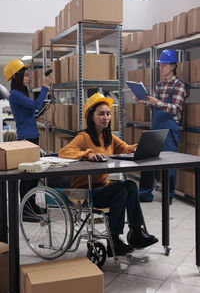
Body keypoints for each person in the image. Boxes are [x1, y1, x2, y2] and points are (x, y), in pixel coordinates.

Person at [58, 93, 158, 257]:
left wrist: (140, 146)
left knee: (130, 186)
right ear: (91, 115)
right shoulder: (83, 137)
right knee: (120, 190)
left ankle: (136, 232)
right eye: (101, 113)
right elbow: (64, 152)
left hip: (101, 188)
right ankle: (114, 241)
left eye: (108, 113)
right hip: (83, 192)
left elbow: (125, 148)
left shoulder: (108, 137)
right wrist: (87, 154)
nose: (106, 117)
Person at [135, 49, 186, 204]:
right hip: (156, 126)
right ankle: (144, 194)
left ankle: (168, 195)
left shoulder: (179, 86)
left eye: (163, 65)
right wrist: (144, 101)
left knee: (169, 163)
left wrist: (157, 102)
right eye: (160, 65)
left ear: (172, 66)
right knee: (148, 159)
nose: (161, 68)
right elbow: (156, 107)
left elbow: (176, 108)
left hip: (170, 128)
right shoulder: (159, 85)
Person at [3, 59, 52, 215]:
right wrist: (45, 86)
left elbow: (33, 113)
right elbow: (35, 105)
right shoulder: (15, 95)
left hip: (32, 138)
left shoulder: (21, 94)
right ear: (16, 77)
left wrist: (43, 109)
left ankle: (32, 205)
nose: (28, 78)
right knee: (27, 178)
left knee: (34, 176)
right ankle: (26, 211)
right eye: (25, 75)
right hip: (26, 140)